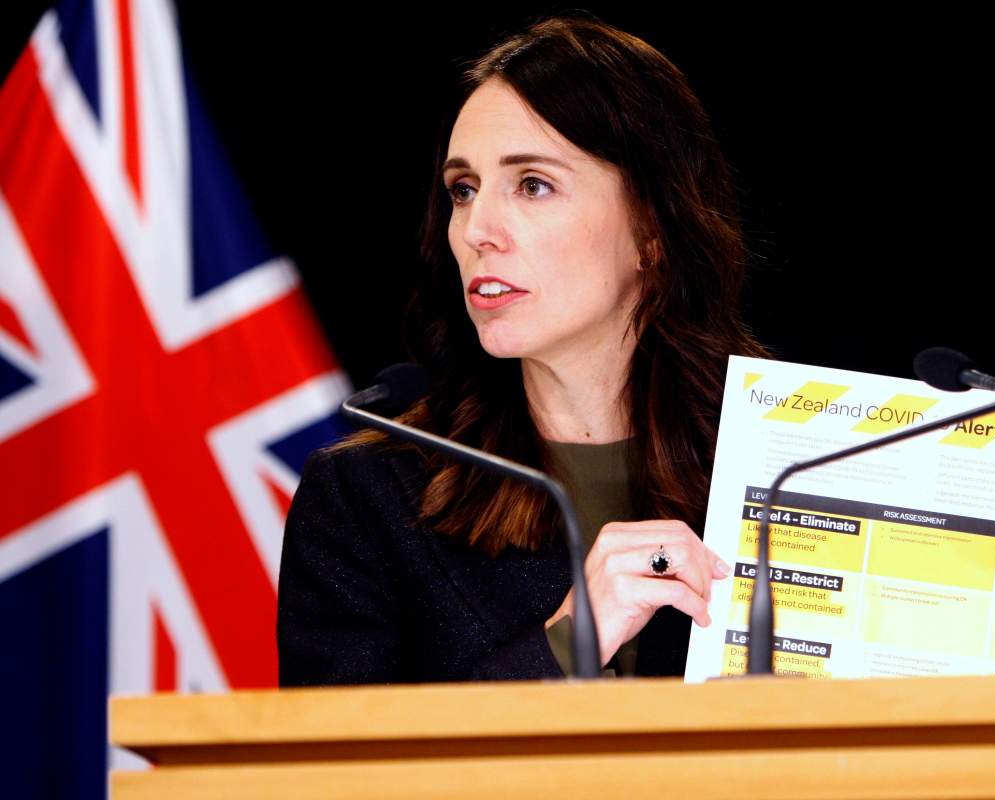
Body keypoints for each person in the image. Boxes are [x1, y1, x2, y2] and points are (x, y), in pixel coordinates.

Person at [276, 13, 771, 685]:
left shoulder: (792, 470)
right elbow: (335, 780)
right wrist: (565, 646)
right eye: (463, 189)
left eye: (532, 184)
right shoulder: (367, 498)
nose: (478, 228)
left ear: (652, 230)